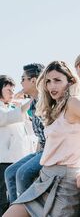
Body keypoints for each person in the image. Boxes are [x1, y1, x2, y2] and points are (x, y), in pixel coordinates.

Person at [3, 61, 80, 217]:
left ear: (70, 82)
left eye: (57, 80)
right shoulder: (56, 107)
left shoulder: (73, 102)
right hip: (44, 179)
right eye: (48, 81)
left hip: (64, 185)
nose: (52, 86)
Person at [4, 64, 45, 205]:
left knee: (22, 173)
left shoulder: (44, 101)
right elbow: (8, 117)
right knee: (10, 173)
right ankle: (15, 210)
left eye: (23, 79)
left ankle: (25, 211)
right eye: (8, 89)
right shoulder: (33, 103)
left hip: (49, 150)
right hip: (7, 157)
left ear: (34, 81)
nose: (21, 83)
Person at [0, 75, 35, 215]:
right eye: (8, 90)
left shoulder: (14, 107)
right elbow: (8, 118)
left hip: (20, 160)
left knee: (18, 198)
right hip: (3, 161)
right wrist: (33, 98)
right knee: (3, 199)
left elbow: (30, 131)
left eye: (13, 90)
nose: (12, 93)